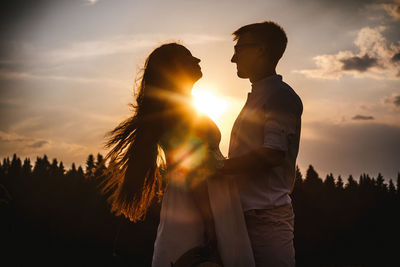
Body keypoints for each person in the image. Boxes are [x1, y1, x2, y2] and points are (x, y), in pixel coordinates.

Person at [102, 43, 254, 267]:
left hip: (199, 205)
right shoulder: (179, 112)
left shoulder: (182, 108)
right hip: (197, 210)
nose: (198, 60)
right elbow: (191, 171)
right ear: (175, 68)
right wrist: (211, 225)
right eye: (189, 56)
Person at [219, 21, 303, 266]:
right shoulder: (261, 95)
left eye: (239, 49)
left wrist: (217, 167)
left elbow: (273, 154)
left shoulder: (280, 96)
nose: (233, 58)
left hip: (266, 218)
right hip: (243, 216)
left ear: (261, 50)